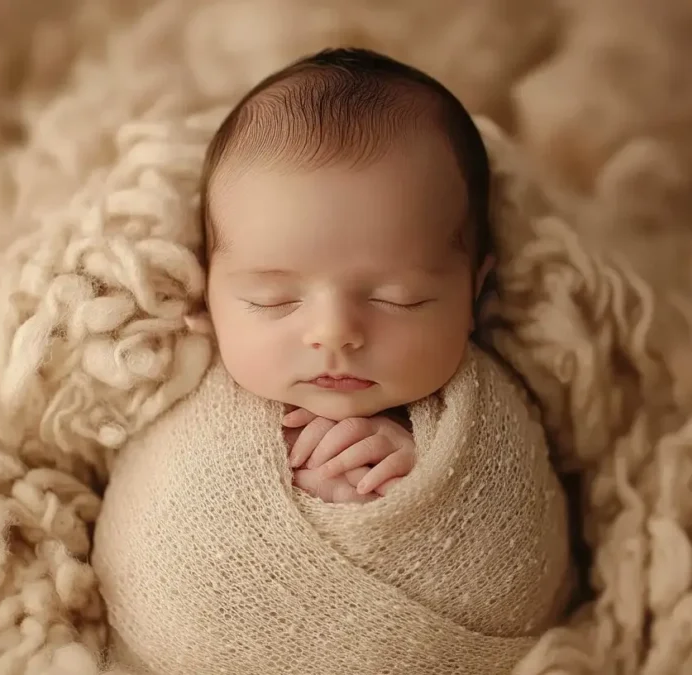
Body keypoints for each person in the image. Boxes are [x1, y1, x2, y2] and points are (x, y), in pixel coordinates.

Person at [200, 47, 495, 503]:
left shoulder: (488, 415)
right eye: (273, 298)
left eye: (400, 298)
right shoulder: (190, 405)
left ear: (473, 293)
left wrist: (436, 482)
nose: (334, 333)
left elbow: (527, 520)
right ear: (206, 291)